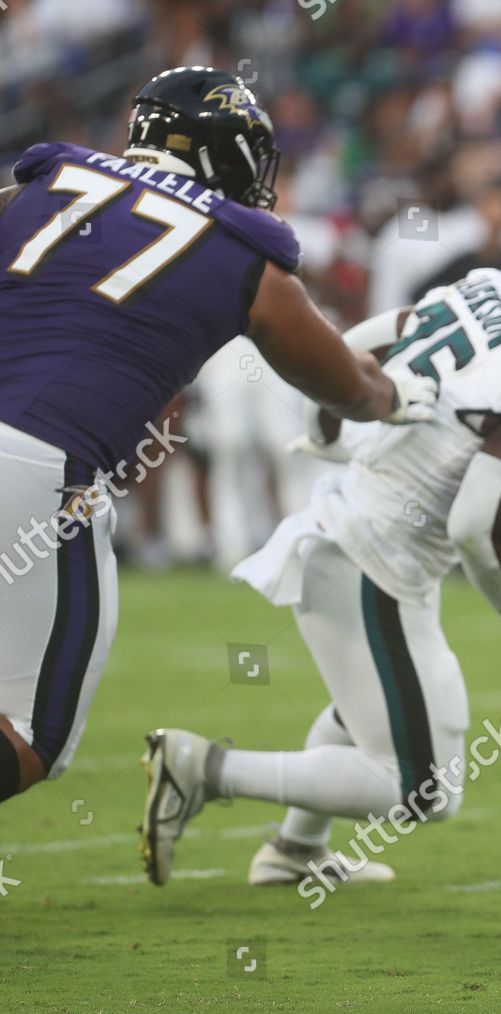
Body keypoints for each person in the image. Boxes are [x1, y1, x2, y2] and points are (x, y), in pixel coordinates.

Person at [137, 204, 501, 886]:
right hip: (372, 562)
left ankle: (295, 851)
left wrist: (329, 426)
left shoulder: (488, 288)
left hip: (354, 538)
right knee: (424, 789)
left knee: (370, 715)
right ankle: (202, 768)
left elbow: (359, 341)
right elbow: (476, 522)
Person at [0, 66, 436, 807]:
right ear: (222, 153)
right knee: (32, 733)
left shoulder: (34, 187)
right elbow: (348, 386)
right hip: (42, 469)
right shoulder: (241, 253)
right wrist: (405, 395)